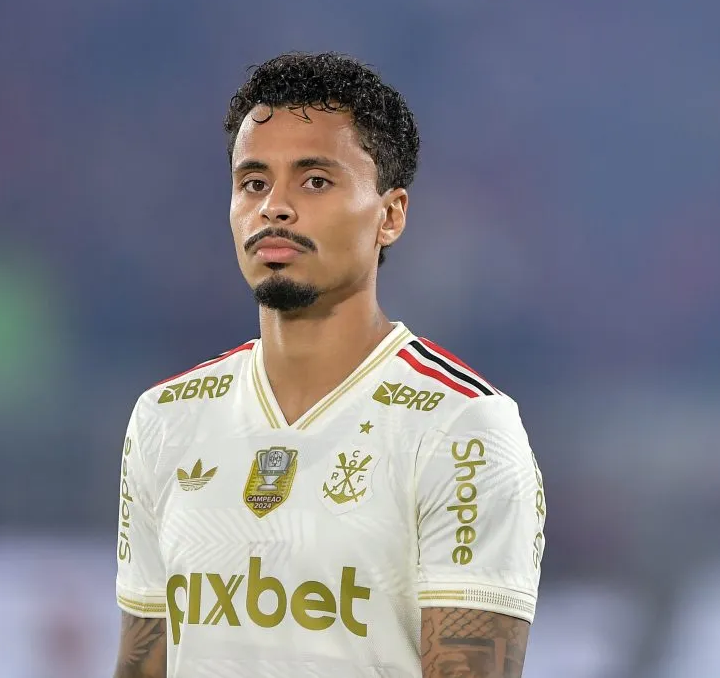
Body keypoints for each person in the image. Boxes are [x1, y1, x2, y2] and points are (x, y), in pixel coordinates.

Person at [112, 51, 546, 678]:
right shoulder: (166, 418)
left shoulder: (463, 428)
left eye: (315, 180)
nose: (274, 208)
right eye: (253, 182)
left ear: (390, 216)